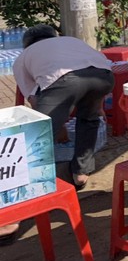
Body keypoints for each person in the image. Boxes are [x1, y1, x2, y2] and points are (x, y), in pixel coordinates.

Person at [13, 26, 114, 188]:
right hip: (104, 76)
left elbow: (35, 101)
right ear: (54, 36)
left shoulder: (23, 57)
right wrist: (98, 106)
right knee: (89, 120)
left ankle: (30, 182)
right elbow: (93, 67)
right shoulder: (71, 41)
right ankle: (81, 173)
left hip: (65, 79)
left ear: (26, 45)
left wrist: (57, 125)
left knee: (40, 132)